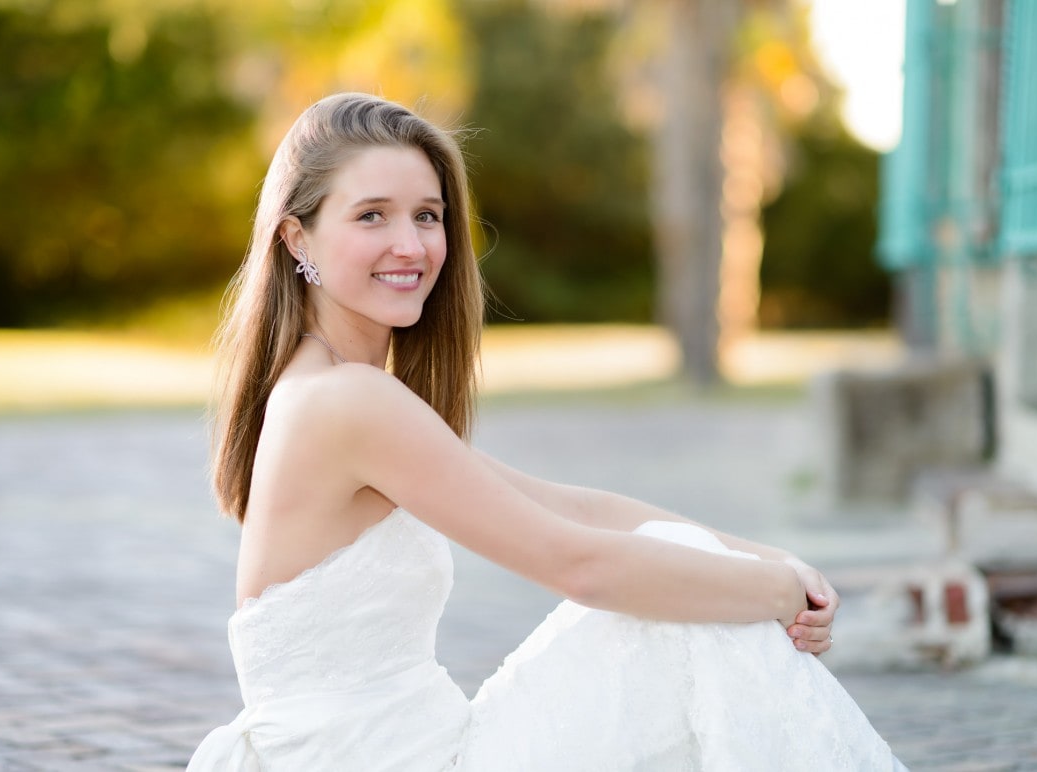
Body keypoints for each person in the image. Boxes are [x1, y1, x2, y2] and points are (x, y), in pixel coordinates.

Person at [188, 93, 907, 771]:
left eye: (429, 216)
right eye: (371, 216)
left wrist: (769, 561)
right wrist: (775, 594)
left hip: (429, 747)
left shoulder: (335, 386)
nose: (410, 244)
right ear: (295, 237)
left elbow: (576, 508)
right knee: (689, 599)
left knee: (686, 568)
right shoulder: (346, 401)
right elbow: (579, 564)